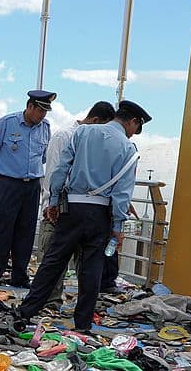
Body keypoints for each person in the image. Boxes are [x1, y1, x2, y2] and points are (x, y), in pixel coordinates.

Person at [13, 100, 152, 333]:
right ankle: (83, 324)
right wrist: (118, 226)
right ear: (133, 121)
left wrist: (54, 200)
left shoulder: (83, 132)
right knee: (91, 269)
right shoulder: (128, 150)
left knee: (53, 262)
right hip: (100, 214)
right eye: (134, 129)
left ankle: (26, 312)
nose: (132, 134)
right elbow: (122, 192)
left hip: (72, 209)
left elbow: (61, 169)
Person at [38, 101, 116, 304]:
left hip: (84, 211)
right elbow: (54, 174)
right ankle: (50, 302)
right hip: (60, 208)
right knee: (54, 260)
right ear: (96, 121)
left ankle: (84, 306)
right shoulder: (64, 136)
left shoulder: (95, 140)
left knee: (86, 262)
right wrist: (51, 204)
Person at [0, 90, 56, 288]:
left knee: (26, 231)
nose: (43, 116)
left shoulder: (45, 127)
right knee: (3, 229)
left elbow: (43, 157)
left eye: (45, 112)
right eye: (40, 111)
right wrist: (4, 171)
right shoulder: (7, 123)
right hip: (9, 184)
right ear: (30, 107)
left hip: (32, 185)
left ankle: (20, 275)